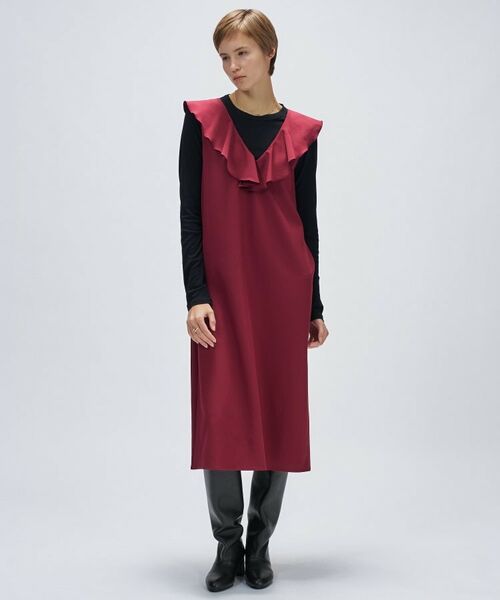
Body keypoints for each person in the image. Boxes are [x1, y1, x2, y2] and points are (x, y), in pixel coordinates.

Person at [178, 8, 330, 592]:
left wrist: (314, 305)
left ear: (270, 53)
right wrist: (196, 294)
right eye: (224, 56)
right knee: (221, 417)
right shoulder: (202, 121)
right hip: (220, 294)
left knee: (277, 414)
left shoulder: (303, 133)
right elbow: (191, 215)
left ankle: (260, 546)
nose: (232, 66)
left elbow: (307, 222)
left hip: (282, 292)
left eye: (242, 53)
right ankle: (227, 545)